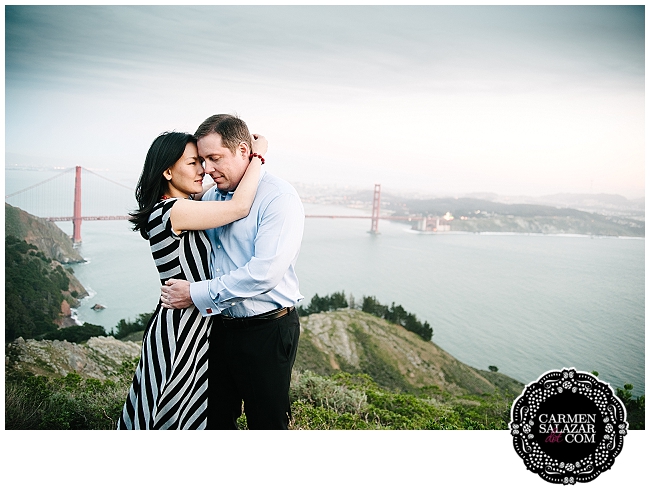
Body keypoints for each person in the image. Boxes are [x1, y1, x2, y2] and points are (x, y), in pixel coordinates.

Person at [161, 114, 305, 430]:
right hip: (218, 328)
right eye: (202, 160)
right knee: (215, 421)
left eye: (215, 158)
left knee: (266, 423)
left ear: (243, 151)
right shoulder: (212, 197)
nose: (207, 169)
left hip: (267, 331)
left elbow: (264, 273)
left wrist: (195, 293)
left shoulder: (278, 197)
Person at [117, 130, 266, 430]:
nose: (203, 170)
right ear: (168, 171)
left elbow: (211, 192)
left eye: (204, 162)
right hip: (180, 330)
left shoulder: (179, 207)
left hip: (193, 324)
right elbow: (239, 207)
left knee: (183, 411)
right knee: (170, 410)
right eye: (193, 163)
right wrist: (257, 156)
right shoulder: (174, 211)